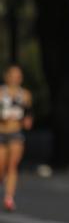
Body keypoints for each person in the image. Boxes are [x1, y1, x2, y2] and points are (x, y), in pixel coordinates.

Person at [0, 65, 33, 212]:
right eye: (12, 75)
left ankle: (9, 197)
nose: (15, 78)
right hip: (1, 132)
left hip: (16, 133)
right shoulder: (1, 93)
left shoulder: (25, 95)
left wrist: (27, 121)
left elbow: (28, 114)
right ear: (7, 77)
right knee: (1, 167)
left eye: (18, 75)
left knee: (13, 165)